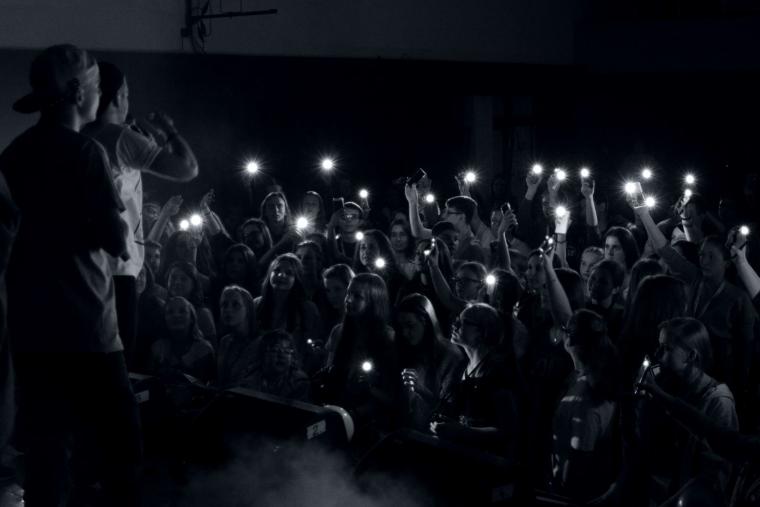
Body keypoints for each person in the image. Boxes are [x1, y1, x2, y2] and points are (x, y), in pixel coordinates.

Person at [0, 44, 140, 506]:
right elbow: (117, 241)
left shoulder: (15, 154)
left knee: (47, 459)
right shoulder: (87, 153)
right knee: (121, 449)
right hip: (88, 328)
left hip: (32, 329)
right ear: (79, 92)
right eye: (98, 86)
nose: (103, 96)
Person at [82, 61, 198, 367]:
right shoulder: (119, 137)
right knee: (118, 362)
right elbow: (187, 168)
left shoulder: (78, 135)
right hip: (117, 267)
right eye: (127, 94)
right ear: (119, 95)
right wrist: (170, 132)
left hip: (83, 264)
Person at [430, 303, 523, 458]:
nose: (455, 325)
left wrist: (462, 431)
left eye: (463, 322)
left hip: (486, 462)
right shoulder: (462, 367)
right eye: (456, 320)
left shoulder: (499, 373)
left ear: (482, 332)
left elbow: (507, 431)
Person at [549, 309, 620, 502]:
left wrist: (561, 491)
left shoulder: (586, 401)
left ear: (570, 340)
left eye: (565, 329)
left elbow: (578, 464)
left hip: (570, 495)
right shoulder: (585, 377)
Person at [322, 273, 399, 430]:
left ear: (374, 301)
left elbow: (392, 396)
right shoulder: (338, 332)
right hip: (335, 412)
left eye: (357, 296)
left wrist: (356, 412)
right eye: (349, 293)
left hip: (368, 422)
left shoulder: (388, 339)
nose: (348, 300)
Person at [395, 294, 465, 431]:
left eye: (410, 326)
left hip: (433, 435)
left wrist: (420, 389)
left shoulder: (451, 356)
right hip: (407, 432)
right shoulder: (407, 350)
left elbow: (449, 408)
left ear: (426, 322)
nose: (404, 333)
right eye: (401, 327)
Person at [254, 253, 321, 362]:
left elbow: (310, 346)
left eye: (289, 273)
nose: (281, 275)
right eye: (276, 270)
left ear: (297, 279)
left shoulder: (308, 309)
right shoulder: (256, 304)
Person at [149, 296, 215, 384]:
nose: (176, 315)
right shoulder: (158, 348)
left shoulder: (204, 350)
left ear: (191, 318)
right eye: (170, 312)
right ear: (164, 318)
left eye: (182, 311)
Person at [242, 330, 310, 401]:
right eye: (275, 350)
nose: (282, 355)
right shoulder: (249, 376)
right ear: (263, 354)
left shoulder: (299, 382)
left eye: (287, 351)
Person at [216, 285, 260, 389]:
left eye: (236, 304)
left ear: (248, 309)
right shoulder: (225, 341)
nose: (228, 309)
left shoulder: (260, 343)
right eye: (224, 305)